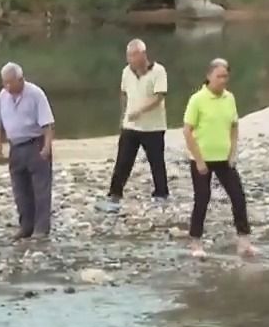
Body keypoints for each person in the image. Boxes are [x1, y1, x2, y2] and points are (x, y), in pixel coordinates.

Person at [183, 58, 256, 259]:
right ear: (209, 77)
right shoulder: (197, 99)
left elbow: (234, 126)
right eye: (219, 76)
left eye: (225, 76)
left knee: (238, 197)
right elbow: (187, 131)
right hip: (202, 158)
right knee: (202, 199)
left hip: (224, 158)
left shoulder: (229, 98)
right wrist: (198, 160)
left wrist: (233, 153)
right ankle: (196, 242)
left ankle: (244, 241)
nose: (223, 80)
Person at [101, 39, 169, 211]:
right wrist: (123, 114)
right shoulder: (126, 72)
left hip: (153, 126)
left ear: (142, 55)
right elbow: (123, 93)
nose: (130, 59)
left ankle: (161, 193)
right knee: (123, 160)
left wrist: (141, 111)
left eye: (133, 55)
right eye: (128, 56)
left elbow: (159, 97)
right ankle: (115, 193)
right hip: (130, 125)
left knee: (156, 161)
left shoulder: (158, 71)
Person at [0, 62, 54, 241]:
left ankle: (41, 228)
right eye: (4, 82)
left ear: (20, 79)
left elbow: (48, 124)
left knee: (41, 189)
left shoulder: (36, 94)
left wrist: (47, 146)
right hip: (15, 146)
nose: (7, 86)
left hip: (35, 143)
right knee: (20, 190)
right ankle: (25, 225)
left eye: (10, 82)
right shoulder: (3, 96)